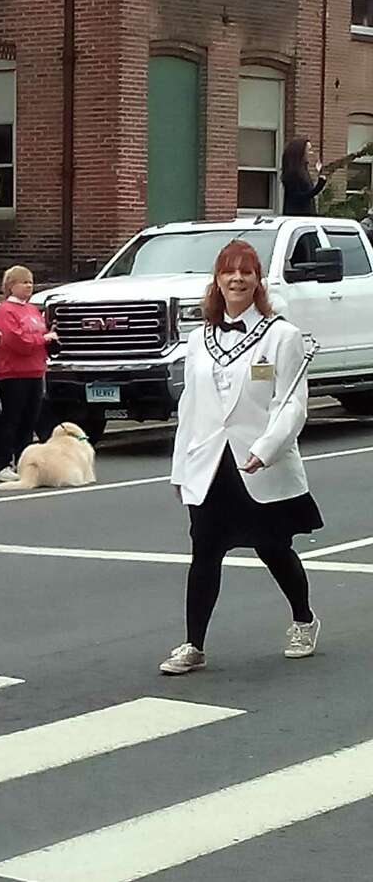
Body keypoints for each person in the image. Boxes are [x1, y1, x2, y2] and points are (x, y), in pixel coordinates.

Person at [163, 240, 322, 674]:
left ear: (258, 281)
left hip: (257, 463)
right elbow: (190, 408)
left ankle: (304, 620)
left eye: (246, 272)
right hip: (211, 463)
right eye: (229, 272)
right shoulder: (199, 339)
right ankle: (193, 644)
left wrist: (265, 450)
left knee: (273, 547)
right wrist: (182, 469)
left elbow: (291, 404)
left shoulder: (282, 335)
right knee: (205, 552)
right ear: (217, 281)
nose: (237, 280)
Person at [0, 265, 59, 466]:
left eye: (31, 282)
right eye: (24, 282)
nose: (29, 286)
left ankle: (24, 461)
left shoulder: (32, 310)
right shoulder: (6, 310)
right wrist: (43, 339)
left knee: (30, 420)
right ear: (11, 286)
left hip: (35, 371)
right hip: (13, 373)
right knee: (13, 418)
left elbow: (40, 334)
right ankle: (2, 463)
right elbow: (15, 340)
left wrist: (50, 340)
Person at [281, 137, 328, 216]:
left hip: (307, 215)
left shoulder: (303, 170)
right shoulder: (293, 174)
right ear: (300, 153)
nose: (311, 153)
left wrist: (320, 173)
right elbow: (300, 197)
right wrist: (320, 185)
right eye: (308, 150)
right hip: (298, 216)